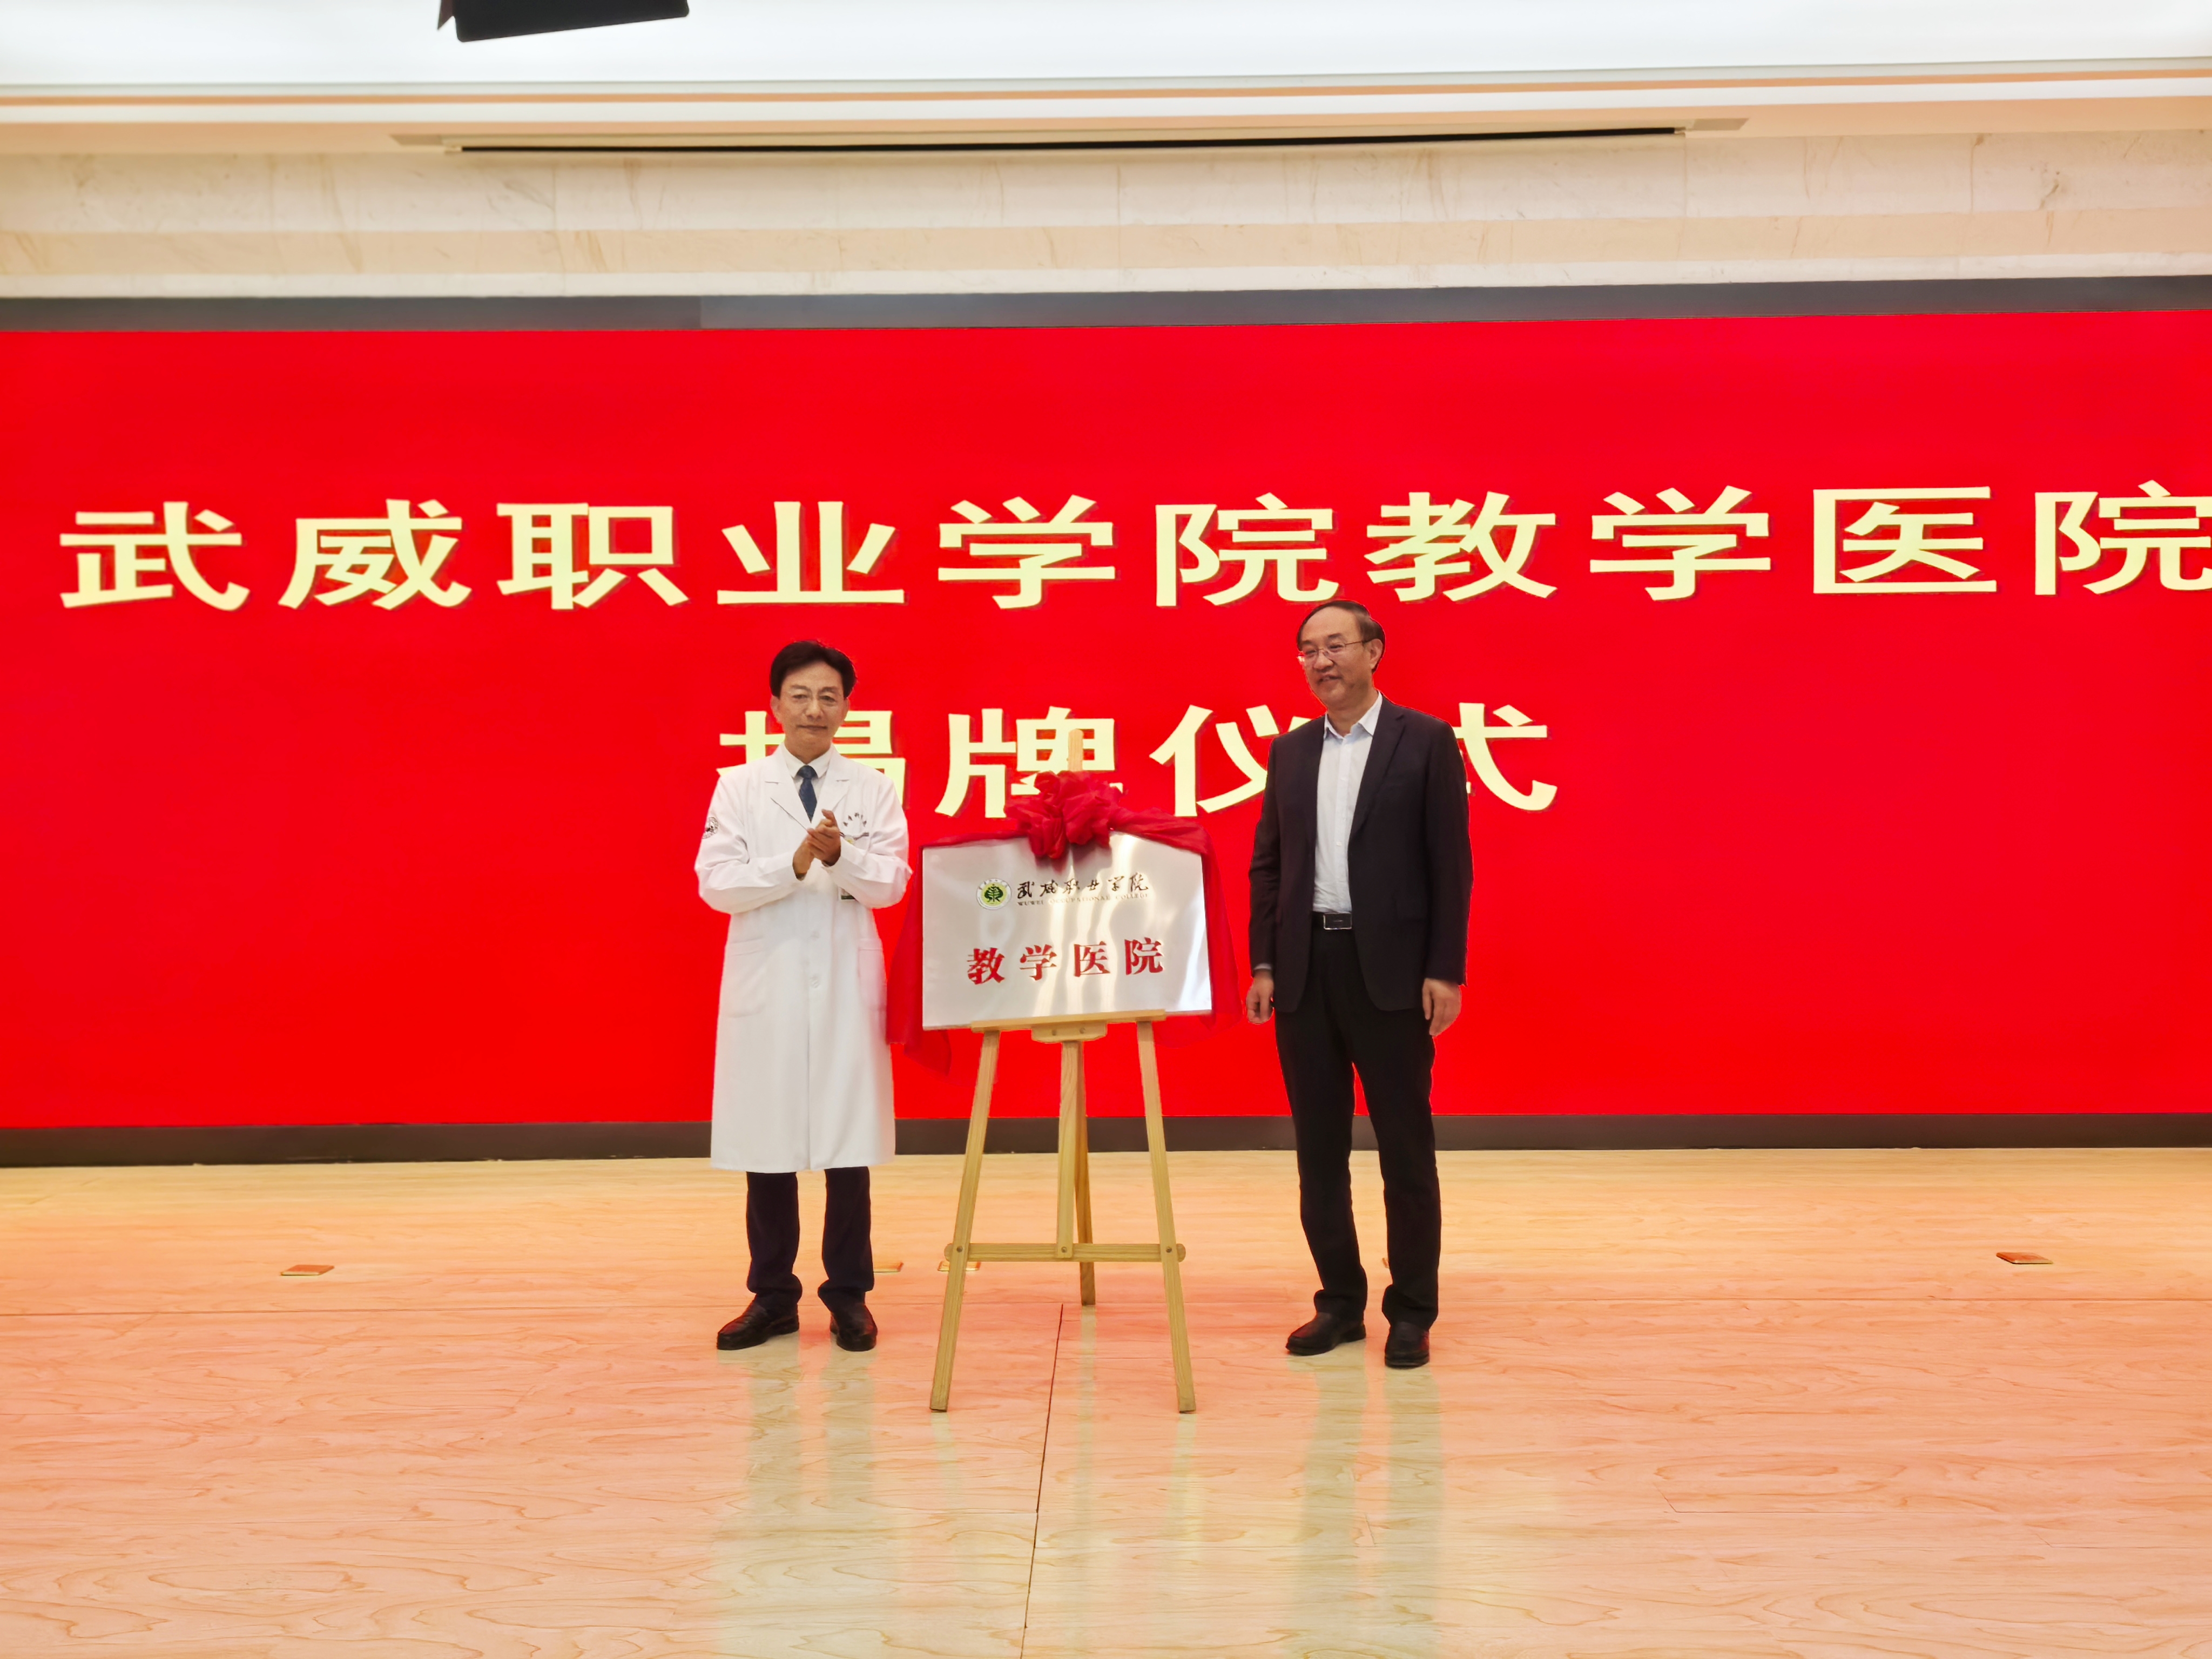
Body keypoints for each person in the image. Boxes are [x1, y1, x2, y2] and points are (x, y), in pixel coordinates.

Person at [1245, 601, 1473, 1370]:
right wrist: (1266, 964)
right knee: (1319, 1153)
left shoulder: (1426, 740)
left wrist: (1445, 969)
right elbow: (1269, 865)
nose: (1321, 661)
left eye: (1335, 645)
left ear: (1374, 651)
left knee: (1405, 1150)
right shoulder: (1290, 751)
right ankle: (1339, 1303)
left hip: (1394, 974)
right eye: (1307, 650)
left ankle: (1412, 1310)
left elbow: (1451, 864)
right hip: (1306, 969)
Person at [697, 640, 911, 1353]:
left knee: (849, 1148)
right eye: (800, 695)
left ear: (846, 707)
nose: (814, 709)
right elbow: (716, 883)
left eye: (828, 696)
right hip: (770, 980)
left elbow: (891, 883)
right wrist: (790, 864)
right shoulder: (738, 786)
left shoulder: (873, 787)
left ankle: (849, 1295)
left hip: (845, 982)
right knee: (769, 1143)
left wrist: (841, 856)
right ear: (775, 705)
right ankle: (772, 1296)